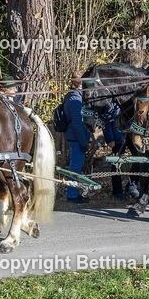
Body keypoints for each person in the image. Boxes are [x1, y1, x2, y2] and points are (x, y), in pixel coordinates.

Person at [62, 72, 92, 204]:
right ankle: (72, 194)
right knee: (75, 166)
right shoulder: (75, 99)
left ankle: (74, 192)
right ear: (79, 84)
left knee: (77, 166)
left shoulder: (76, 97)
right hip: (76, 137)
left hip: (77, 136)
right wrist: (84, 142)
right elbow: (77, 123)